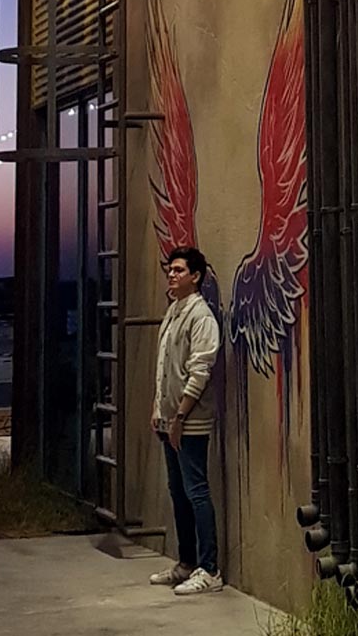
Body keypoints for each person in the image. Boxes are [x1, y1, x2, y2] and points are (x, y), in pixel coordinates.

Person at [148, 246, 224, 596]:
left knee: (196, 491)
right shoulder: (174, 312)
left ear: (195, 276)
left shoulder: (201, 316)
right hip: (169, 420)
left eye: (179, 270)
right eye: (170, 270)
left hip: (189, 422)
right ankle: (186, 562)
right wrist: (158, 410)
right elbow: (166, 368)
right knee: (178, 493)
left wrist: (179, 415)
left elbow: (200, 370)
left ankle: (210, 569)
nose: (172, 275)